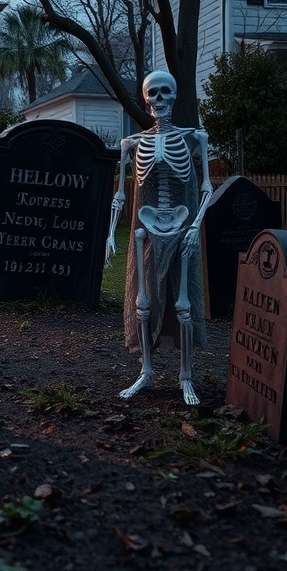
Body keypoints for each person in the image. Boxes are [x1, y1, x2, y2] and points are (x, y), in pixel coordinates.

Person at [105, 70, 213, 405]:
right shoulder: (132, 144)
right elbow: (122, 195)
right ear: (146, 99)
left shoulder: (195, 138)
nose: (160, 100)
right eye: (153, 94)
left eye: (166, 93)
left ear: (175, 96)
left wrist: (196, 226)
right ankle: (146, 371)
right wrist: (110, 234)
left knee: (184, 305)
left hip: (181, 227)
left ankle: (186, 376)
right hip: (146, 229)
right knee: (143, 302)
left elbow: (206, 187)